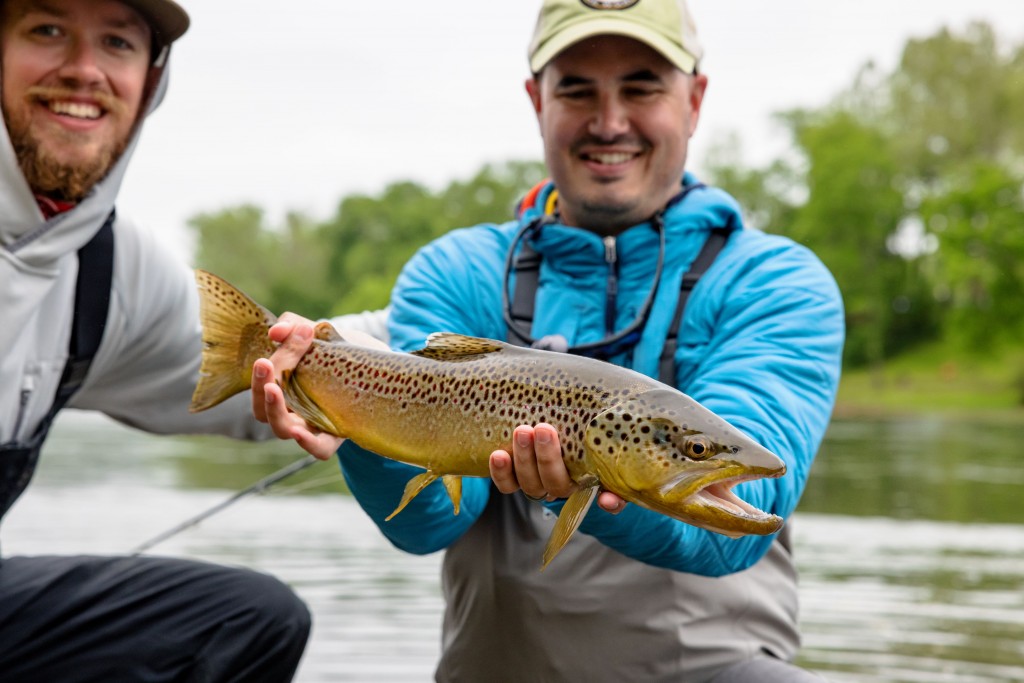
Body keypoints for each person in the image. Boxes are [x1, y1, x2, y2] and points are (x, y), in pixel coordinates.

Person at [256, 0, 844, 680]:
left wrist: (594, 485)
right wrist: (351, 420)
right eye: (576, 89)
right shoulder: (460, 272)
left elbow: (751, 514)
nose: (610, 120)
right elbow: (428, 524)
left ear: (695, 99)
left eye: (642, 85)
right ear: (537, 100)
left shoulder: (776, 283)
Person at [0, 0, 381, 679]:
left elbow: (274, 367)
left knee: (249, 616)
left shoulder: (105, 267)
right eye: (48, 30)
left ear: (151, 79)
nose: (84, 70)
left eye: (116, 42)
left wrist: (485, 330)